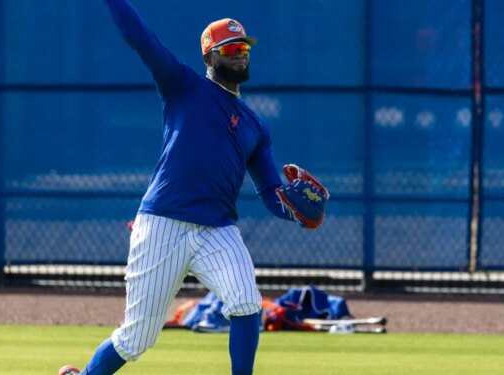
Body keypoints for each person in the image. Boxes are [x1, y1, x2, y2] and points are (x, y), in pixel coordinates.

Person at [59, 1, 328, 374]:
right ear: (209, 55)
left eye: (244, 49)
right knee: (136, 338)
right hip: (162, 223)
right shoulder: (183, 85)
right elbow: (140, 37)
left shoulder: (256, 125)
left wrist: (296, 210)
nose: (239, 55)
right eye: (231, 49)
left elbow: (271, 192)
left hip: (218, 228)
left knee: (246, 302)